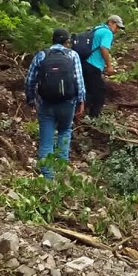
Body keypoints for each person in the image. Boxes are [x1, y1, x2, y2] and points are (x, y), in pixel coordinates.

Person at [24, 28, 85, 179]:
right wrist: (81, 100)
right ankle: (61, 173)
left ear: (53, 40)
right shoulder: (72, 55)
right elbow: (79, 80)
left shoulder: (41, 55)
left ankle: (47, 178)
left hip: (46, 103)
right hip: (67, 103)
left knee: (46, 141)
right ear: (67, 42)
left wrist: (31, 99)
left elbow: (29, 80)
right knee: (65, 131)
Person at [82, 15, 125, 118]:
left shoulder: (97, 29)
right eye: (116, 26)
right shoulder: (107, 32)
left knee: (89, 90)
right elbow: (103, 48)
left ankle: (80, 114)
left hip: (84, 63)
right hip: (93, 65)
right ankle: (94, 117)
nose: (117, 29)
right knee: (100, 92)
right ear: (110, 22)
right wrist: (109, 66)